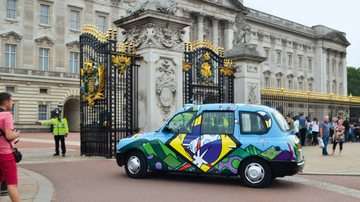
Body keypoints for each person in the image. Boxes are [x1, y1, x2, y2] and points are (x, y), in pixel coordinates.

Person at [0, 92, 21, 202]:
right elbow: (9, 136)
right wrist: (17, 134)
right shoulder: (7, 115)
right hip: (5, 154)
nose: (12, 103)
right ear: (6, 101)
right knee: (12, 183)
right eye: (11, 101)